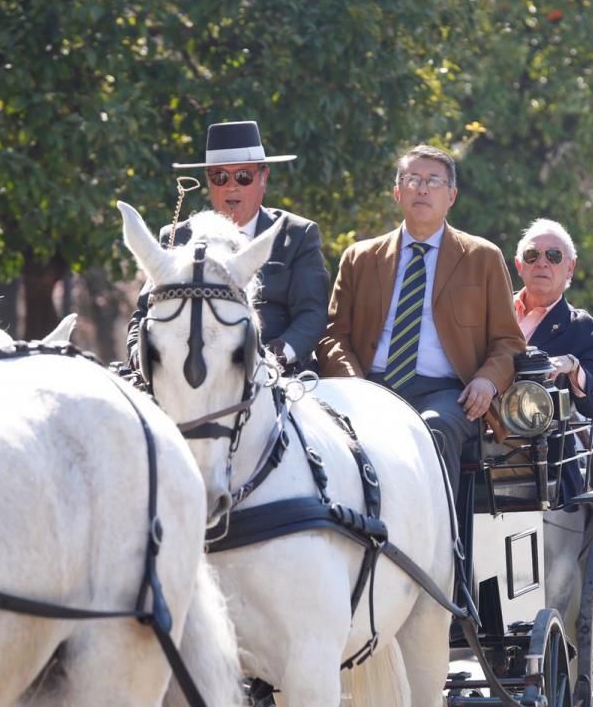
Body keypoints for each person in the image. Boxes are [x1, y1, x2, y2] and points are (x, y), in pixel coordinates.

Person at [317, 145, 525, 497]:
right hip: (372, 385)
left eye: (433, 181)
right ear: (398, 193)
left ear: (452, 196)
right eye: (412, 179)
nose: (422, 188)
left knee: (434, 431)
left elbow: (509, 341)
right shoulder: (360, 258)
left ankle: (442, 546)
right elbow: (333, 337)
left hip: (445, 392)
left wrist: (487, 382)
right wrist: (354, 386)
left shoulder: (483, 258)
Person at [126, 120, 329, 372]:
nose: (231, 186)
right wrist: (139, 351)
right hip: (186, 376)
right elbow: (145, 310)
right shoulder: (177, 237)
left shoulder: (297, 234)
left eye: (243, 176)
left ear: (263, 177)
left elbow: (312, 313)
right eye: (220, 176)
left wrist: (274, 358)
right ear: (209, 182)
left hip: (279, 376)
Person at [512, 218, 593, 504]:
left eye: (553, 256)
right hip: (478, 448)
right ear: (520, 265)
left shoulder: (584, 329)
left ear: (570, 267)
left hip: (546, 460)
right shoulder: (492, 313)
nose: (541, 263)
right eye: (532, 255)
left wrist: (574, 368)